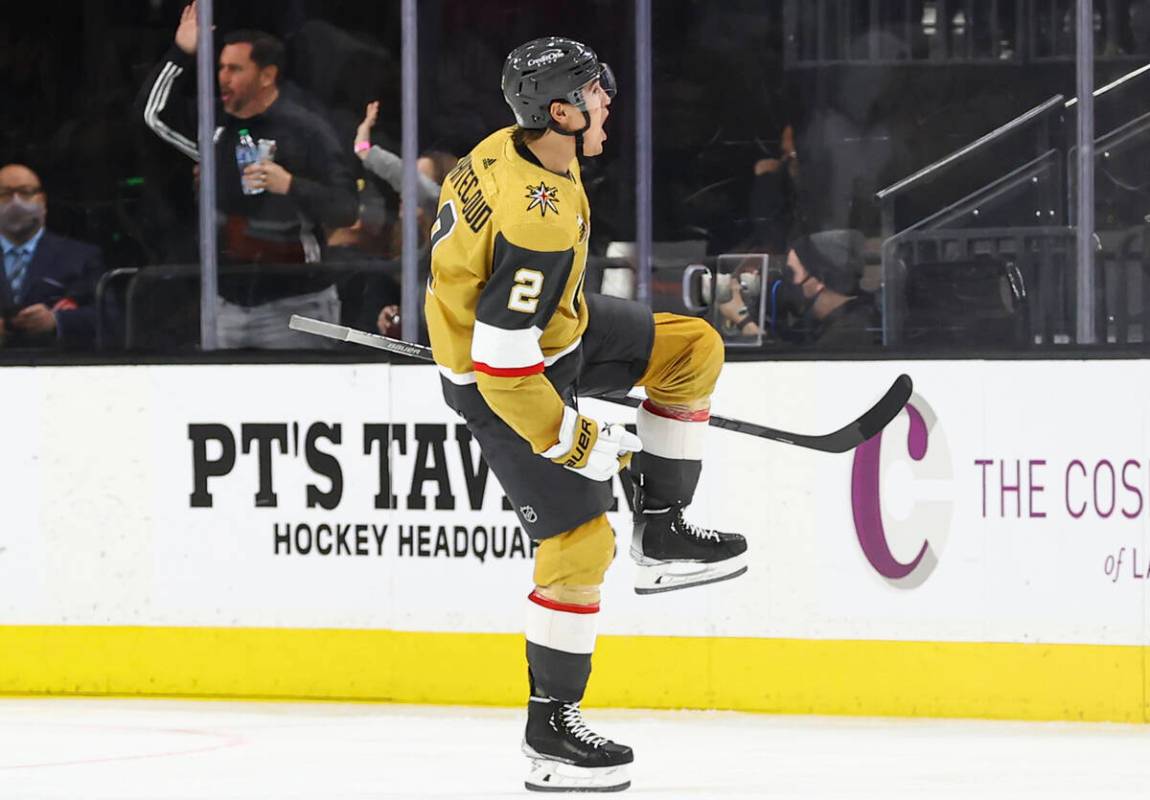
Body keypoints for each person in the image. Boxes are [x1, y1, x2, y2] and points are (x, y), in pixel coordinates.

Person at [424, 37, 747, 793]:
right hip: (502, 383)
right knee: (580, 546)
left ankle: (662, 526)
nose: (608, 100)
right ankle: (551, 730)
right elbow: (504, 364)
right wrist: (573, 438)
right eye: (596, 92)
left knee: (689, 348)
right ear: (561, 110)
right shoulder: (534, 218)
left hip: (553, 334)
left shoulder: (510, 148)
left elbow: (470, 274)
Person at [137, 1, 357, 349]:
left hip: (296, 303)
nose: (223, 77)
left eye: (235, 69)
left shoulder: (306, 129)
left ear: (266, 75)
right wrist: (180, 53)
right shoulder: (217, 127)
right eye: (221, 68)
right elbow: (153, 114)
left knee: (297, 404)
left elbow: (346, 208)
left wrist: (291, 185)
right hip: (226, 303)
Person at [0, 164, 105, 349]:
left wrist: (56, 321)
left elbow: (109, 318)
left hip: (59, 369)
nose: (16, 202)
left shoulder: (81, 257)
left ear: (43, 201)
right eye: (4, 194)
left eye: (25, 192)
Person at [720, 230, 879, 348]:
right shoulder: (814, 324)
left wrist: (743, 319)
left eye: (791, 272)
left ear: (819, 281)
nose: (785, 281)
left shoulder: (850, 332)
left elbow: (786, 370)